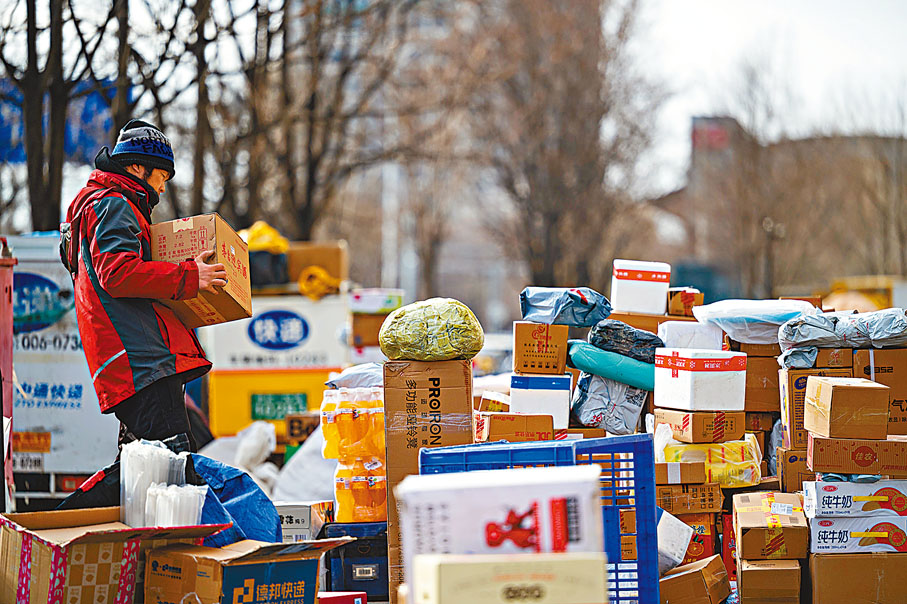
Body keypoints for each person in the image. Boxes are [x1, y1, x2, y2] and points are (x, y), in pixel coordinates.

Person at [58, 119, 226, 508]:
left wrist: (185, 268)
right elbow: (117, 273)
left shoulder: (101, 205)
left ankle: (63, 536)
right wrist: (189, 276)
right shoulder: (114, 204)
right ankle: (50, 532)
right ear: (137, 168)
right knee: (172, 467)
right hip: (141, 360)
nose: (162, 187)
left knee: (143, 471)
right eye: (161, 176)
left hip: (129, 361)